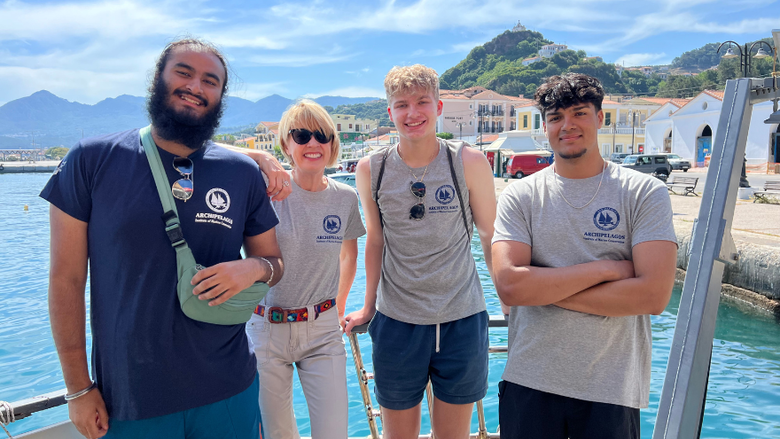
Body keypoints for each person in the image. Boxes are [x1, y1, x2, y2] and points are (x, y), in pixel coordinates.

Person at [40, 38, 286, 439]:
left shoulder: (241, 173)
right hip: (131, 399)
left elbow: (275, 264)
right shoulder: (91, 160)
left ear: (221, 96)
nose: (196, 86)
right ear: (159, 77)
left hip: (229, 388)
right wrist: (78, 388)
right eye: (183, 72)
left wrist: (252, 268)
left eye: (211, 80)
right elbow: (65, 281)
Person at [492, 73, 678, 439]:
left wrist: (544, 289)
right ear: (545, 126)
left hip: (610, 388)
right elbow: (511, 287)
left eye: (579, 113)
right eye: (556, 117)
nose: (567, 126)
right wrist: (607, 269)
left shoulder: (644, 193)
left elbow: (653, 296)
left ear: (600, 118)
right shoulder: (521, 196)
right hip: (529, 380)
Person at [344, 64, 497, 439]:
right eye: (402, 105)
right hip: (396, 320)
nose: (412, 113)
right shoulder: (372, 169)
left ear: (439, 106)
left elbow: (490, 234)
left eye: (422, 102)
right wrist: (367, 307)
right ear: (390, 112)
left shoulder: (468, 162)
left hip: (462, 317)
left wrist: (507, 299)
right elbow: (375, 240)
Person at [246, 100, 365, 439]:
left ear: (332, 143)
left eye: (322, 135)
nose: (313, 143)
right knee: (276, 434)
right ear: (286, 144)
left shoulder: (345, 197)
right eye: (301, 135)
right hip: (266, 328)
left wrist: (338, 307)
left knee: (333, 433)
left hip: (323, 331)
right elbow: (205, 150)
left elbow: (349, 256)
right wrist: (259, 157)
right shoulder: (265, 191)